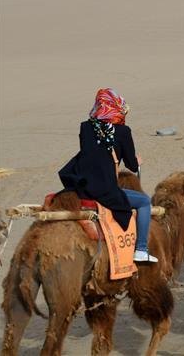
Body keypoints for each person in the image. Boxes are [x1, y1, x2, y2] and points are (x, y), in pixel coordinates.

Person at [59, 88, 158, 263]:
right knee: (143, 201)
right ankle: (141, 249)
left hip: (82, 187)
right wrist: (137, 161)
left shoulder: (85, 127)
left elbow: (92, 154)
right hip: (104, 191)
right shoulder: (123, 131)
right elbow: (132, 165)